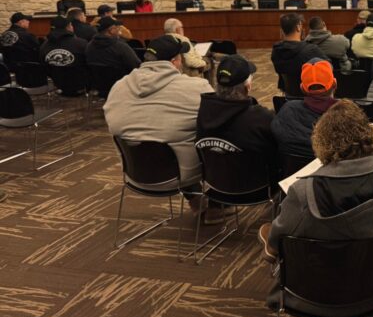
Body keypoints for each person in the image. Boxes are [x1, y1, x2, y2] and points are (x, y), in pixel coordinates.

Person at [262, 100, 373, 317]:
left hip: (311, 293)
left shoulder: (302, 191)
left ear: (321, 142)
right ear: (369, 137)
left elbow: (275, 244)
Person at [105, 36, 214, 205]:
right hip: (180, 174)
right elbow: (216, 123)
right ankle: (216, 205)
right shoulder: (197, 87)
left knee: (170, 137)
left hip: (135, 172)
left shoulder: (119, 86)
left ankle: (196, 201)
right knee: (224, 139)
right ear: (175, 62)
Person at [270, 59, 373, 159]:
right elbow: (363, 147)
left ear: (302, 88)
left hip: (298, 174)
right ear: (335, 84)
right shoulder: (346, 112)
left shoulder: (287, 110)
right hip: (343, 170)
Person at [196, 54, 278, 194]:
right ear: (248, 86)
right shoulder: (262, 118)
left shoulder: (203, 111)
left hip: (215, 186)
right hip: (257, 190)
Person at [271, 13, 327, 93]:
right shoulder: (311, 50)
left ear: (282, 30)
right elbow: (328, 67)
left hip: (288, 94)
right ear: (298, 27)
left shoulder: (276, 50)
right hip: (310, 94)